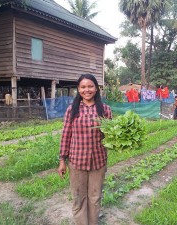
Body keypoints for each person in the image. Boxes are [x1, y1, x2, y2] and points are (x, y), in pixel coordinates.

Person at [58, 74, 112, 225]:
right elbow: (66, 135)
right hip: (77, 161)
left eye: (90, 86)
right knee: (78, 198)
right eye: (83, 87)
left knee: (95, 198)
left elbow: (110, 136)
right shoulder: (72, 110)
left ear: (96, 88)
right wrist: (62, 160)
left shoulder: (105, 110)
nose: (86, 90)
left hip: (98, 162)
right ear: (78, 89)